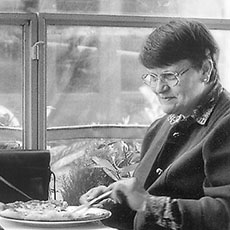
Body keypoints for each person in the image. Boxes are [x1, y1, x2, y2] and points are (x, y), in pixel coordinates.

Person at [79, 19, 230, 230]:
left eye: (170, 76)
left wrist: (146, 203)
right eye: (152, 76)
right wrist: (112, 201)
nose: (159, 88)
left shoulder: (226, 125)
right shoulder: (160, 127)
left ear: (205, 70)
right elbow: (144, 211)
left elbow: (225, 215)